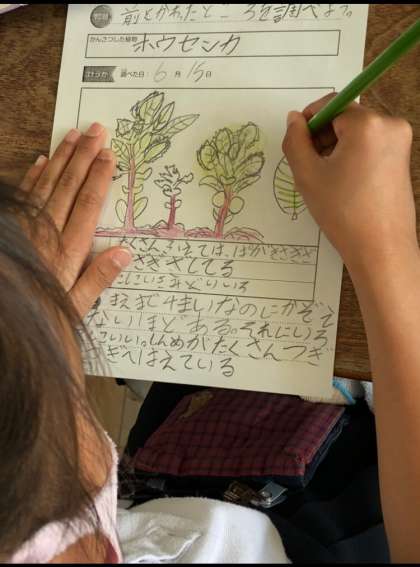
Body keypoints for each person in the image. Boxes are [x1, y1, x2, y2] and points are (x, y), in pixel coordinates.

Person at [0, 93, 418, 563]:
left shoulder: (56, 521)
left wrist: (38, 332)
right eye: (57, 397)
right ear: (85, 541)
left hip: (182, 448)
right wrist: (386, 250)